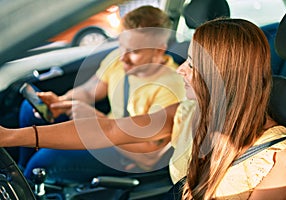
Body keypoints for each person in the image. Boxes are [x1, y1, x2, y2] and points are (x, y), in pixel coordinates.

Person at [1, 18, 286, 199]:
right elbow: (108, 129)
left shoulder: (284, 160)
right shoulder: (187, 114)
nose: (181, 70)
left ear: (222, 75)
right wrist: (12, 137)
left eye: (193, 64)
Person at [18, 5, 186, 183]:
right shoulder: (118, 60)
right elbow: (88, 91)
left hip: (126, 153)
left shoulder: (172, 88)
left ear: (159, 50)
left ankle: (24, 185)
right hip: (106, 130)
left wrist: (96, 121)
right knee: (29, 109)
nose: (123, 58)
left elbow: (149, 153)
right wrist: (60, 102)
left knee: (43, 160)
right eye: (122, 46)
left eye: (135, 51)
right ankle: (19, 174)